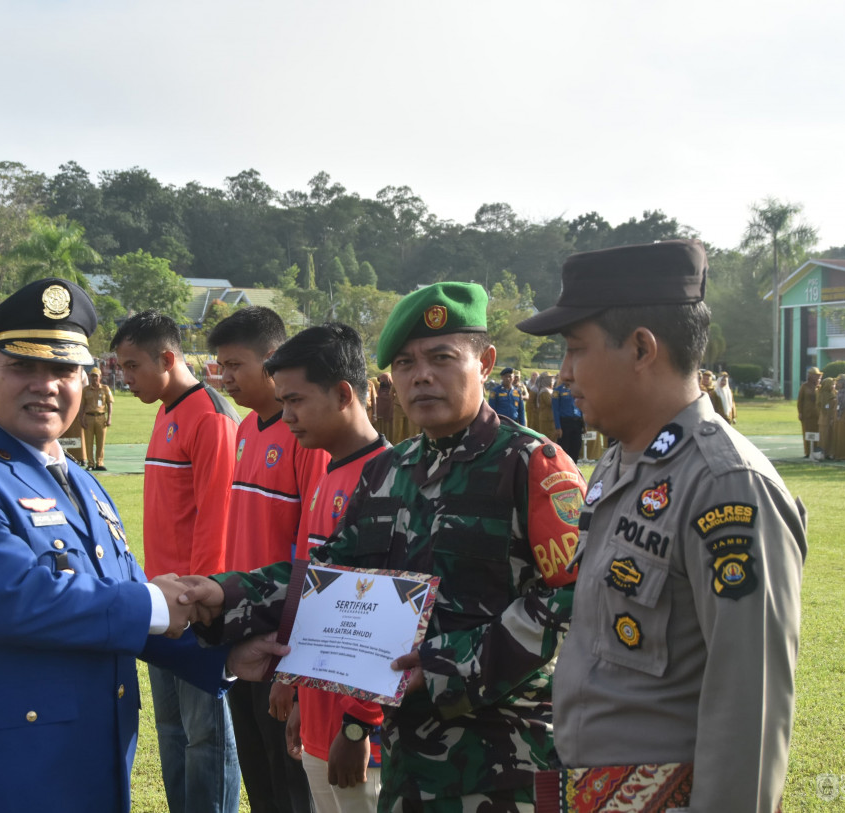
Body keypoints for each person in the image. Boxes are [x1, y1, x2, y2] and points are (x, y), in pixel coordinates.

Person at [0, 277, 287, 813]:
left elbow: (113, 598)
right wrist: (153, 602)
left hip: (90, 765)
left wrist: (224, 657)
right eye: (23, 366)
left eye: (64, 369)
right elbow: (14, 602)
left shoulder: (79, 480)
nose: (46, 385)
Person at [184, 283, 586, 813]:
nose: (420, 375)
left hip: (509, 764)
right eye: (403, 363)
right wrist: (222, 594)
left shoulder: (533, 465)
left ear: (484, 362)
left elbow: (569, 603)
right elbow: (330, 579)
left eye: (442, 358)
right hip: (408, 761)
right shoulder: (387, 473)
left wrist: (443, 667)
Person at [516, 239, 806, 811]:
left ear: (642, 348)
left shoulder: (727, 485)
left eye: (575, 350)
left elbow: (751, 703)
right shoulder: (621, 460)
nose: (564, 373)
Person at [110, 311, 243, 813]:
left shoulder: (209, 416)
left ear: (167, 358)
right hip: (158, 601)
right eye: (120, 367)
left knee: (206, 733)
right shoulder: (166, 410)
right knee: (171, 729)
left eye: (132, 366)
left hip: (194, 607)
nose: (125, 378)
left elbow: (219, 518)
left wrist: (197, 602)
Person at [265, 323, 389, 813]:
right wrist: (294, 683)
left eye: (295, 400)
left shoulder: (387, 479)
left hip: (358, 736)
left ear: (343, 394)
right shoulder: (326, 472)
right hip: (319, 718)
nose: (286, 416)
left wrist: (359, 724)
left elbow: (387, 622)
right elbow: (308, 585)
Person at [209, 306, 324, 813]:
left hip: (281, 639)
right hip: (240, 631)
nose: (224, 377)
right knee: (258, 776)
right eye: (220, 365)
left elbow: (315, 553)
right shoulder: (245, 431)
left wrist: (294, 652)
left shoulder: (306, 438)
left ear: (271, 359)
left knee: (289, 784)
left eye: (235, 364)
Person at [80, 366, 114, 471]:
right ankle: (90, 463)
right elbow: (82, 406)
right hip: (89, 417)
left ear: (100, 377)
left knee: (101, 442)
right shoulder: (85, 390)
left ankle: (99, 462)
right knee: (88, 442)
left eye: (96, 376)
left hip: (101, 417)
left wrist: (109, 418)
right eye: (93, 376)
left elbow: (109, 404)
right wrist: (81, 419)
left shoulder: (105, 389)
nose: (94, 378)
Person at [551, 377, 584, 461]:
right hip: (565, 423)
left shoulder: (578, 389)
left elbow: (581, 406)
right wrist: (558, 427)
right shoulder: (558, 391)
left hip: (577, 422)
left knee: (576, 447)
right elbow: (555, 410)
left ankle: (574, 468)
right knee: (564, 448)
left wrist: (584, 424)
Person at [796, 367, 821, 457]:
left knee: (817, 432)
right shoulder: (804, 386)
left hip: (817, 414)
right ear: (810, 376)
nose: (817, 377)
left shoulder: (819, 387)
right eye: (815, 376)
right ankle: (807, 452)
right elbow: (800, 400)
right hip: (807, 413)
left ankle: (816, 451)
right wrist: (800, 412)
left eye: (818, 376)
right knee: (807, 432)